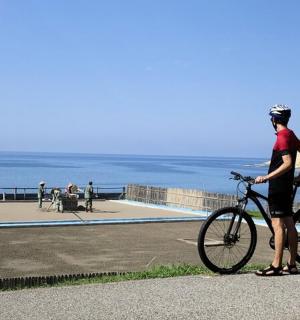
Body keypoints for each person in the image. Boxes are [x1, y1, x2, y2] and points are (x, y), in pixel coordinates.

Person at [255, 104, 300, 276]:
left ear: (273, 120)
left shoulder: (282, 137)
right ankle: (292, 264)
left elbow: (288, 163)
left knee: (278, 225)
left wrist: (266, 178)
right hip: (286, 185)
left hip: (278, 187)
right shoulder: (290, 134)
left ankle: (276, 266)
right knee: (289, 223)